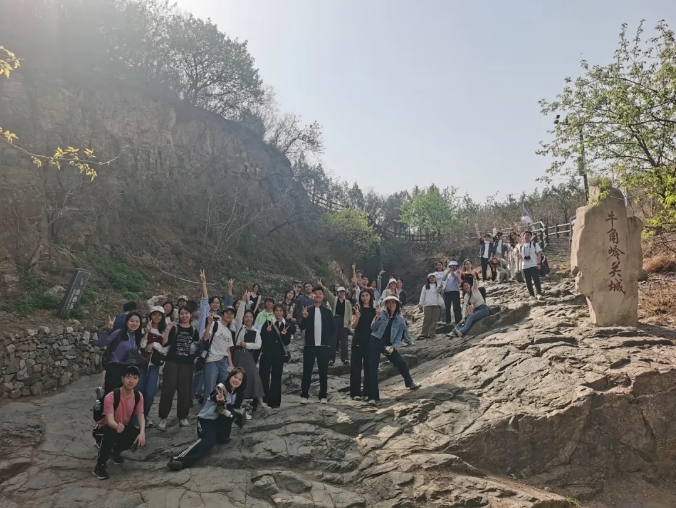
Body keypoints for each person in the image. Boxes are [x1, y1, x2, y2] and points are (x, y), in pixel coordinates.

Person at [167, 368, 246, 471]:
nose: (236, 380)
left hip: (220, 422)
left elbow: (232, 409)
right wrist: (221, 401)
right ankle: (180, 460)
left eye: (240, 379)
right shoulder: (220, 388)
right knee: (209, 440)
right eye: (235, 377)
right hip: (206, 420)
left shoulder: (238, 393)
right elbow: (220, 409)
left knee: (232, 414)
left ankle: (222, 436)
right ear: (230, 376)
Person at [92, 365, 146, 480]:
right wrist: (117, 426)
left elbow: (140, 414)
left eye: (135, 378)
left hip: (122, 426)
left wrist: (142, 432)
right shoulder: (111, 397)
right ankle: (99, 466)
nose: (131, 381)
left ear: (138, 380)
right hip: (104, 427)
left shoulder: (138, 396)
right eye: (128, 377)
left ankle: (115, 452)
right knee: (110, 434)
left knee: (135, 435)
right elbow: (109, 420)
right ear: (122, 379)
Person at [366, 296, 420, 406]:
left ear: (397, 304)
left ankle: (409, 383)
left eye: (393, 303)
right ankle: (372, 397)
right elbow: (372, 328)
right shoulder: (381, 313)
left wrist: (394, 347)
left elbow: (399, 336)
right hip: (375, 341)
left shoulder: (400, 319)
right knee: (372, 368)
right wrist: (377, 318)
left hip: (388, 345)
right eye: (389, 303)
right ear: (386, 304)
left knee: (400, 362)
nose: (391, 305)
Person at [157, 307, 200, 431]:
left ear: (191, 315)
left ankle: (182, 417)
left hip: (187, 364)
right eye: (182, 313)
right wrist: (168, 329)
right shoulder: (175, 328)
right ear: (179, 315)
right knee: (168, 390)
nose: (184, 316)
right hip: (172, 362)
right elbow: (165, 343)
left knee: (185, 391)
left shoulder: (194, 331)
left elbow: (196, 348)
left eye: (187, 313)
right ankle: (163, 418)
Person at [298, 286, 335, 404]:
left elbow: (333, 329)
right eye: (316, 293)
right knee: (307, 371)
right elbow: (301, 327)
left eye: (320, 293)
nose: (318, 295)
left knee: (323, 371)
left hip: (324, 347)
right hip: (310, 346)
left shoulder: (328, 312)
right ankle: (304, 394)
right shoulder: (307, 310)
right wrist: (304, 318)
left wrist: (327, 340)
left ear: (323, 296)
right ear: (312, 296)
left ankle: (323, 395)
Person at [97, 312, 145, 395]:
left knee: (125, 397)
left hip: (128, 370)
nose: (134, 323)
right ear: (126, 322)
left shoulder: (138, 337)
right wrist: (108, 330)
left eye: (137, 321)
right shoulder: (119, 333)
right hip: (115, 368)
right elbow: (100, 343)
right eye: (132, 321)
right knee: (111, 396)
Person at [259, 304, 296, 408]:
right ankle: (263, 400)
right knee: (264, 375)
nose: (278, 313)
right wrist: (267, 331)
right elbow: (262, 338)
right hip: (267, 353)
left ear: (283, 312)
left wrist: (284, 335)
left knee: (276, 376)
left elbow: (287, 342)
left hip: (279, 354)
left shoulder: (286, 325)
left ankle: (275, 401)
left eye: (280, 311)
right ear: (274, 312)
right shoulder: (268, 322)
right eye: (277, 310)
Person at [232, 301, 266, 412]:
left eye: (250, 317)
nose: (248, 319)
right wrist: (243, 302)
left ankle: (260, 402)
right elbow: (238, 316)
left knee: (255, 377)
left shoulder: (256, 331)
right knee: (236, 377)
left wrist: (247, 344)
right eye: (246, 317)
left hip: (249, 355)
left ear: (253, 318)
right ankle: (237, 402)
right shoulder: (240, 327)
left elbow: (259, 345)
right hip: (238, 355)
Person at [137, 306, 167, 428]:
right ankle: (137, 417)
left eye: (159, 315)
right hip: (142, 364)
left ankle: (145, 415)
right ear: (150, 316)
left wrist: (154, 344)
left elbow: (165, 349)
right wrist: (147, 332)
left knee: (150, 393)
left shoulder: (164, 331)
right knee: (139, 391)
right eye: (154, 314)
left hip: (154, 365)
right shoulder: (143, 329)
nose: (157, 317)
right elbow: (142, 345)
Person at [201, 305, 235, 407]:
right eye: (227, 313)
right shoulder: (215, 324)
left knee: (223, 388)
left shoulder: (229, 332)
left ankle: (220, 411)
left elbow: (228, 350)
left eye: (231, 314)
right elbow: (205, 338)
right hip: (212, 360)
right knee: (210, 388)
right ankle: (205, 415)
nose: (229, 315)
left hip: (223, 361)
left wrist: (231, 365)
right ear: (222, 314)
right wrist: (208, 324)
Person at [350, 289, 376, 400]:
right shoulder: (357, 309)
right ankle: (355, 393)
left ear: (370, 296)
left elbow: (377, 327)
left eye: (366, 295)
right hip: (358, 341)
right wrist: (357, 316)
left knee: (368, 367)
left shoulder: (374, 311)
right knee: (356, 367)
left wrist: (378, 316)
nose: (364, 298)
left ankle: (367, 393)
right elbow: (353, 326)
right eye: (362, 296)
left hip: (370, 341)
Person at [319, 281, 352, 367]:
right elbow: (328, 293)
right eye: (340, 292)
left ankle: (345, 358)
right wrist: (322, 286)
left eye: (343, 292)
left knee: (344, 341)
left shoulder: (347, 302)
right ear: (338, 293)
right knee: (332, 340)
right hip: (335, 320)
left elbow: (349, 313)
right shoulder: (334, 300)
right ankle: (331, 359)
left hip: (344, 321)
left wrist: (349, 324)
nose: (342, 293)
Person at [418, 273, 443, 339]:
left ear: (435, 278)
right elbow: (422, 295)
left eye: (433, 277)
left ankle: (432, 334)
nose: (432, 279)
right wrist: (420, 303)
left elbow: (438, 291)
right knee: (427, 319)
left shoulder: (437, 286)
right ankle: (424, 333)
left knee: (434, 320)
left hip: (436, 305)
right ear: (428, 279)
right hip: (427, 305)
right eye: (430, 278)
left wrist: (440, 287)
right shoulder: (425, 287)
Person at [520, 230, 544, 300]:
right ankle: (531, 294)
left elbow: (539, 254)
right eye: (525, 235)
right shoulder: (521, 246)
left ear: (530, 237)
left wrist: (539, 263)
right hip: (525, 265)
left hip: (533, 264)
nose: (526, 236)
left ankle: (538, 293)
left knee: (536, 279)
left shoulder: (534, 244)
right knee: (528, 281)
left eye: (528, 235)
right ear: (523, 237)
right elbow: (520, 257)